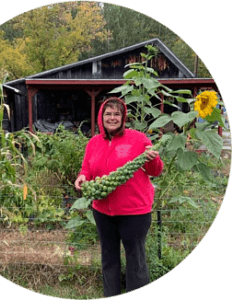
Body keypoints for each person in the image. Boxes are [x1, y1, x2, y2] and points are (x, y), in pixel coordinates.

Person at [74, 97, 164, 297]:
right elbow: (87, 168)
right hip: (103, 210)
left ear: (123, 118)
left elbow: (155, 171)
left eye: (117, 114)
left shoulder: (139, 139)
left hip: (134, 211)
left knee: (136, 260)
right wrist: (82, 177)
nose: (112, 118)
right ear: (101, 117)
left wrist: (153, 158)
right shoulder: (94, 142)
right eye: (108, 114)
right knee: (108, 257)